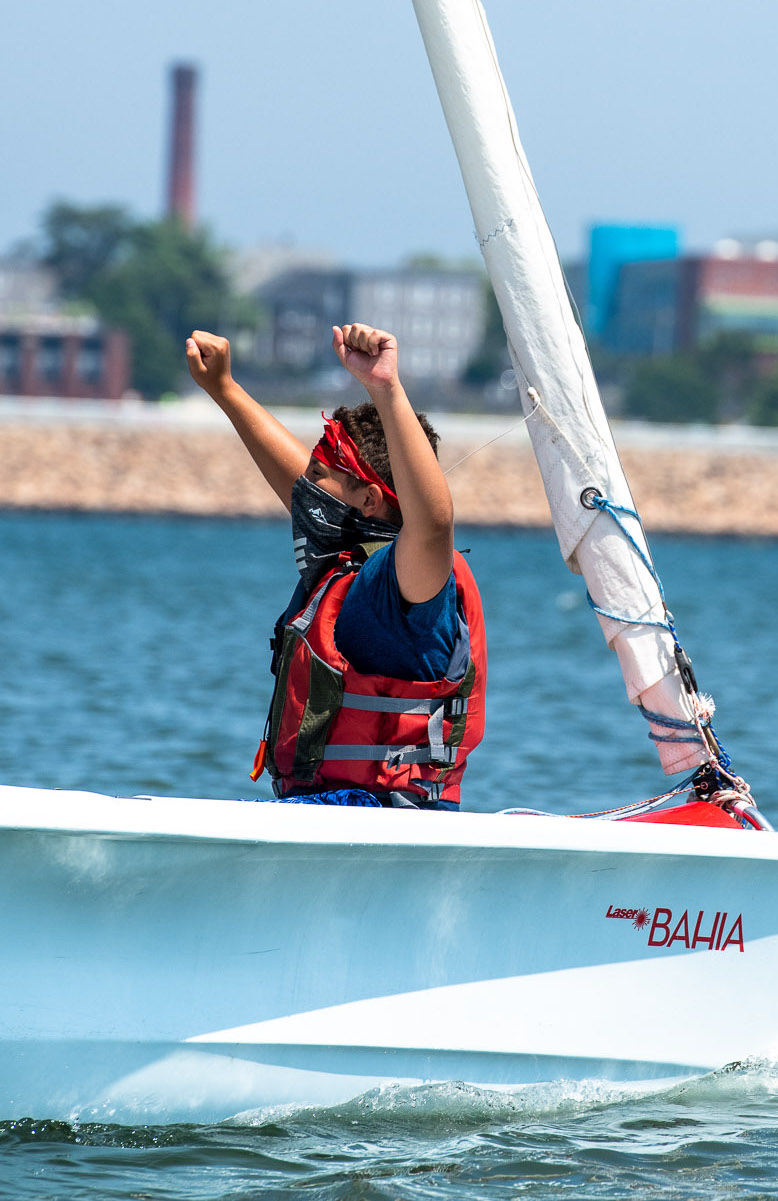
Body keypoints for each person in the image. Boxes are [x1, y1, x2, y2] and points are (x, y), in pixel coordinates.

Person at [186, 323, 485, 809]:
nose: (303, 490)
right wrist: (225, 389)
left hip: (384, 823)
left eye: (318, 475)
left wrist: (385, 388)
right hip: (331, 815)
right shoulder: (345, 561)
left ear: (369, 500)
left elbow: (431, 526)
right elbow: (303, 484)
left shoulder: (401, 583)